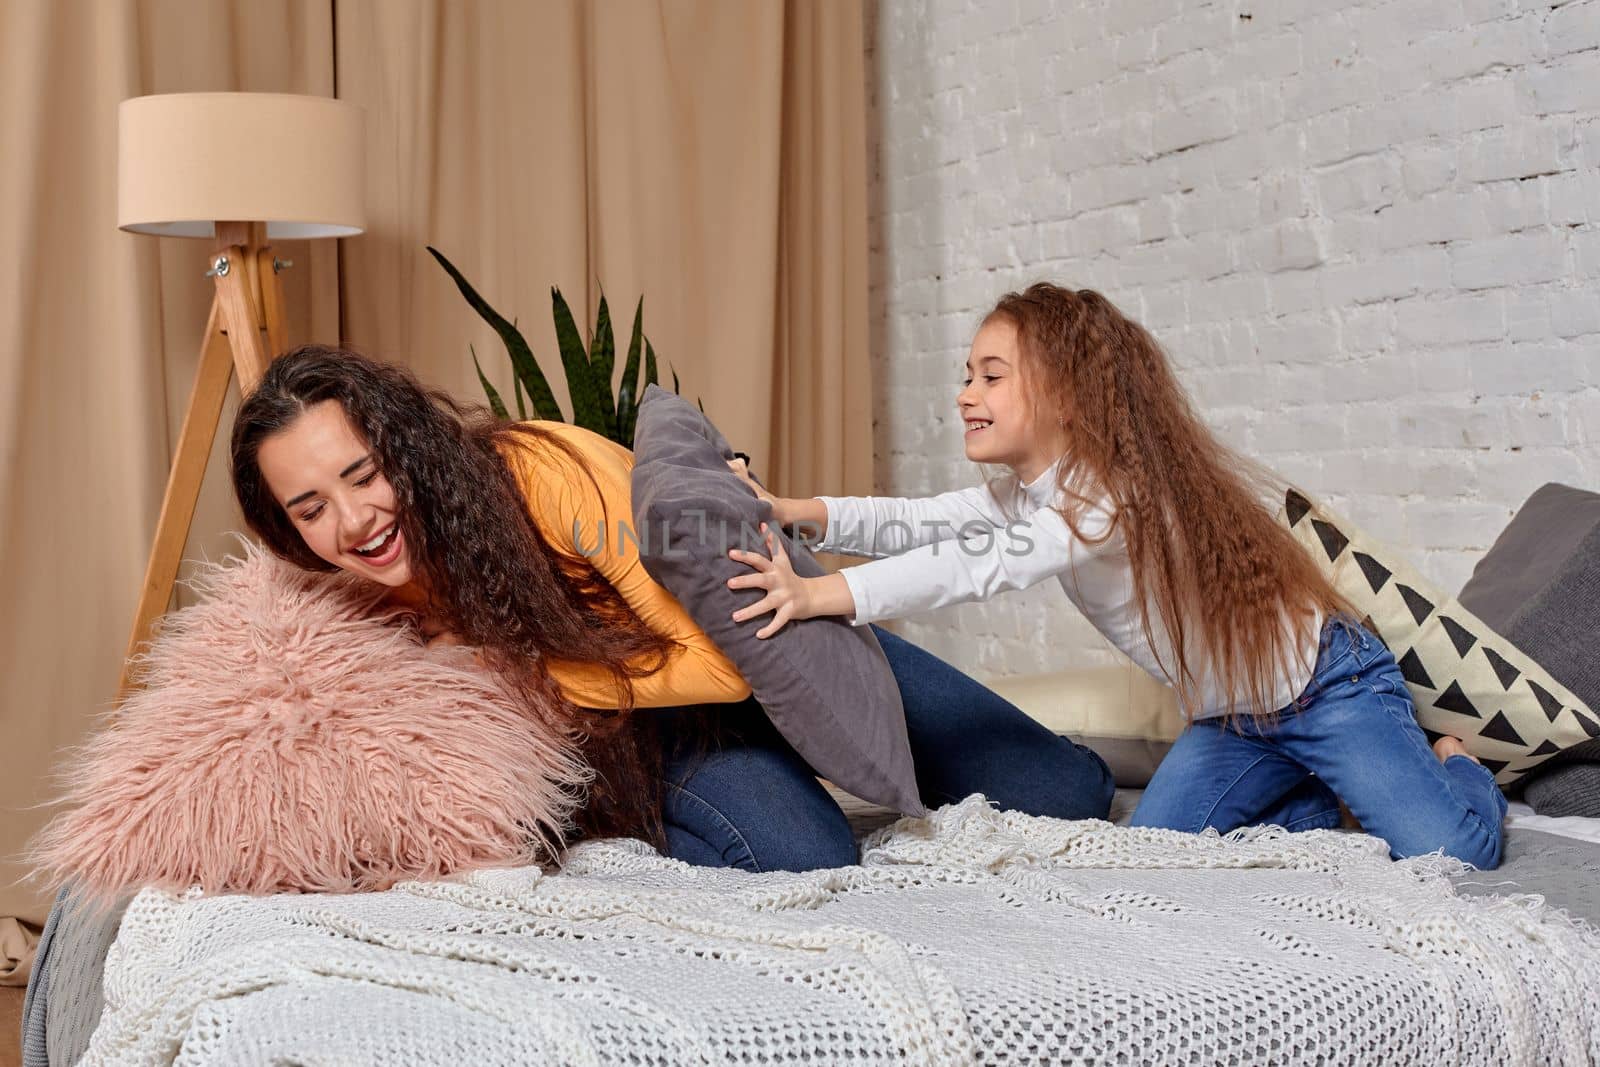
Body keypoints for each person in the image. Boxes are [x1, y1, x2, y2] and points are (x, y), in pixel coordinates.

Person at [230, 344, 1114, 873]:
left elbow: (724, 664)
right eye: (309, 509)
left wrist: (536, 673)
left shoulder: (542, 474)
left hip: (759, 646)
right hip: (661, 735)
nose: (352, 520)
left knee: (1070, 792)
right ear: (284, 525)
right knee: (807, 857)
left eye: (362, 474)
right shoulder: (354, 605)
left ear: (406, 447)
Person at [728, 283, 1506, 869]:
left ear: (1065, 392)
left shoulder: (1111, 496)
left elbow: (977, 566)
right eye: (967, 375)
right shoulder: (1029, 492)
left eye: (991, 377)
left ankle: (1455, 761)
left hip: (1326, 688)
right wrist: (795, 509)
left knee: (1454, 854)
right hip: (1234, 721)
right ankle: (1310, 792)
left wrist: (817, 595)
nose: (965, 393)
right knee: (1150, 858)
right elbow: (922, 521)